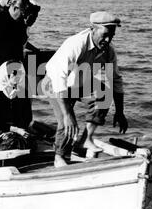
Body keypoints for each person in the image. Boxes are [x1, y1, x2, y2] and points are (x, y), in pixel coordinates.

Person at [42, 11, 129, 167]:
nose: (108, 40)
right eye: (105, 35)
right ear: (92, 29)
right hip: (55, 85)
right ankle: (60, 157)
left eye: (112, 36)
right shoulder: (75, 44)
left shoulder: (108, 51)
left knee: (104, 93)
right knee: (66, 121)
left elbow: (115, 80)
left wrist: (120, 112)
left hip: (79, 84)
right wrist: (68, 113)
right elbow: (58, 79)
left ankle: (85, 140)